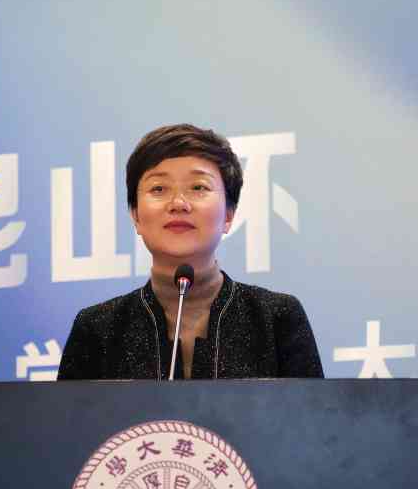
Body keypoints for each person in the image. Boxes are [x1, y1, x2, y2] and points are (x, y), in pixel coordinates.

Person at [56, 124, 323, 380]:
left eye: (198, 187)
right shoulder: (97, 328)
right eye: (158, 189)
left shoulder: (277, 318)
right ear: (135, 215)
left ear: (229, 215)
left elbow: (312, 412)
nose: (178, 203)